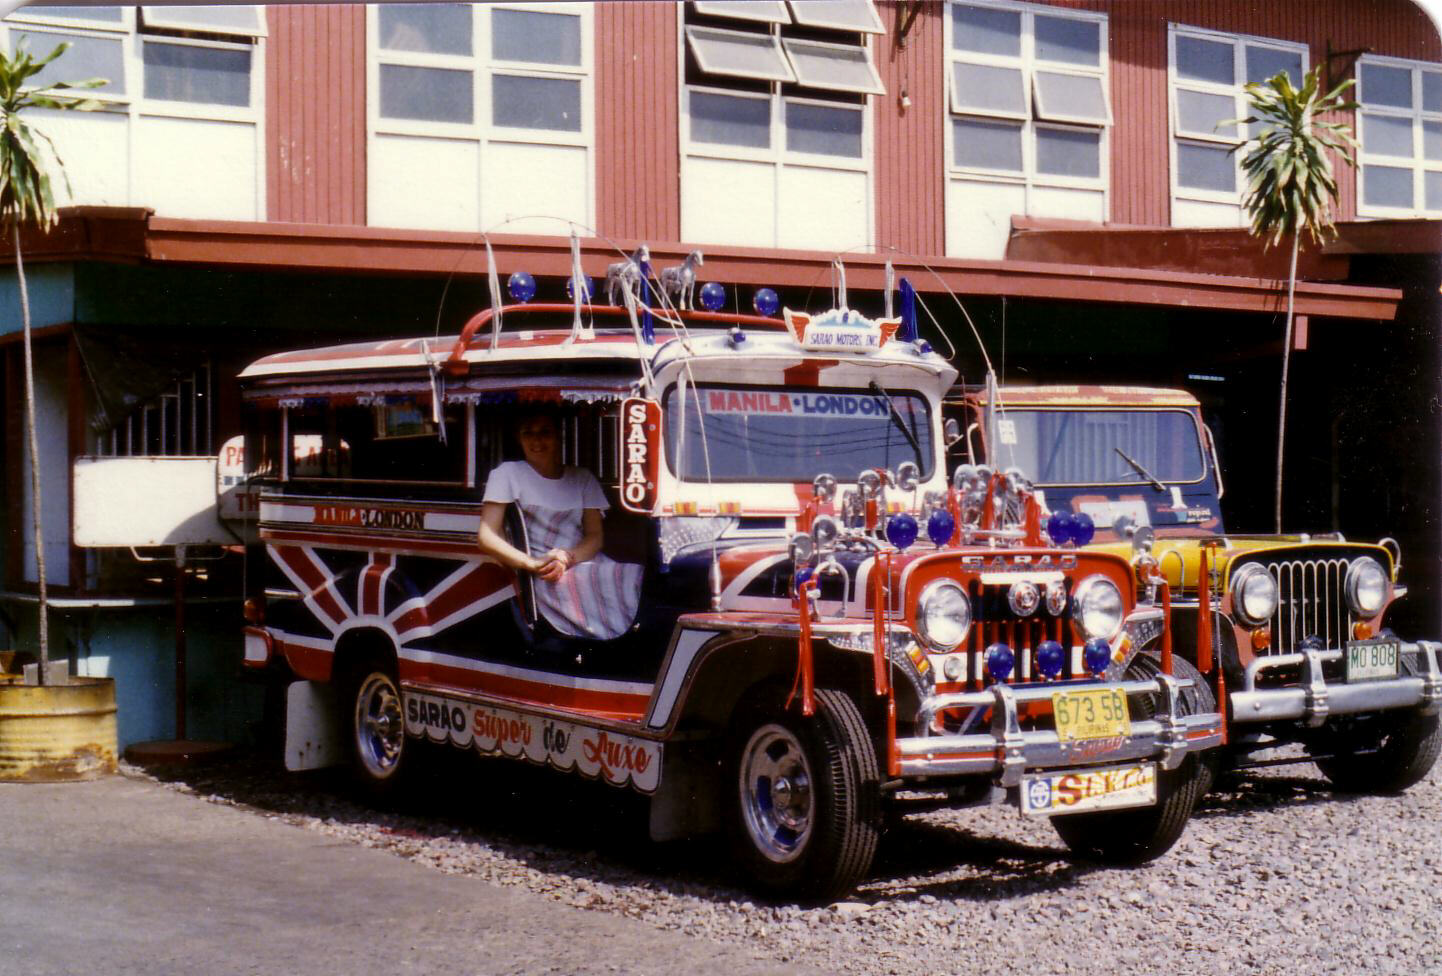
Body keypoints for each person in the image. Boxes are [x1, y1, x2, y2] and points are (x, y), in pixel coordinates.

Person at [477, 410, 642, 641]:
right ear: (519, 438)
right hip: (543, 572)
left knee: (633, 575)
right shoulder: (507, 474)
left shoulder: (582, 477)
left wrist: (567, 558)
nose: (537, 440)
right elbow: (486, 536)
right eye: (528, 433)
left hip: (578, 559)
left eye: (545, 432)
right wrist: (532, 563)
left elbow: (595, 536)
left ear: (558, 436)